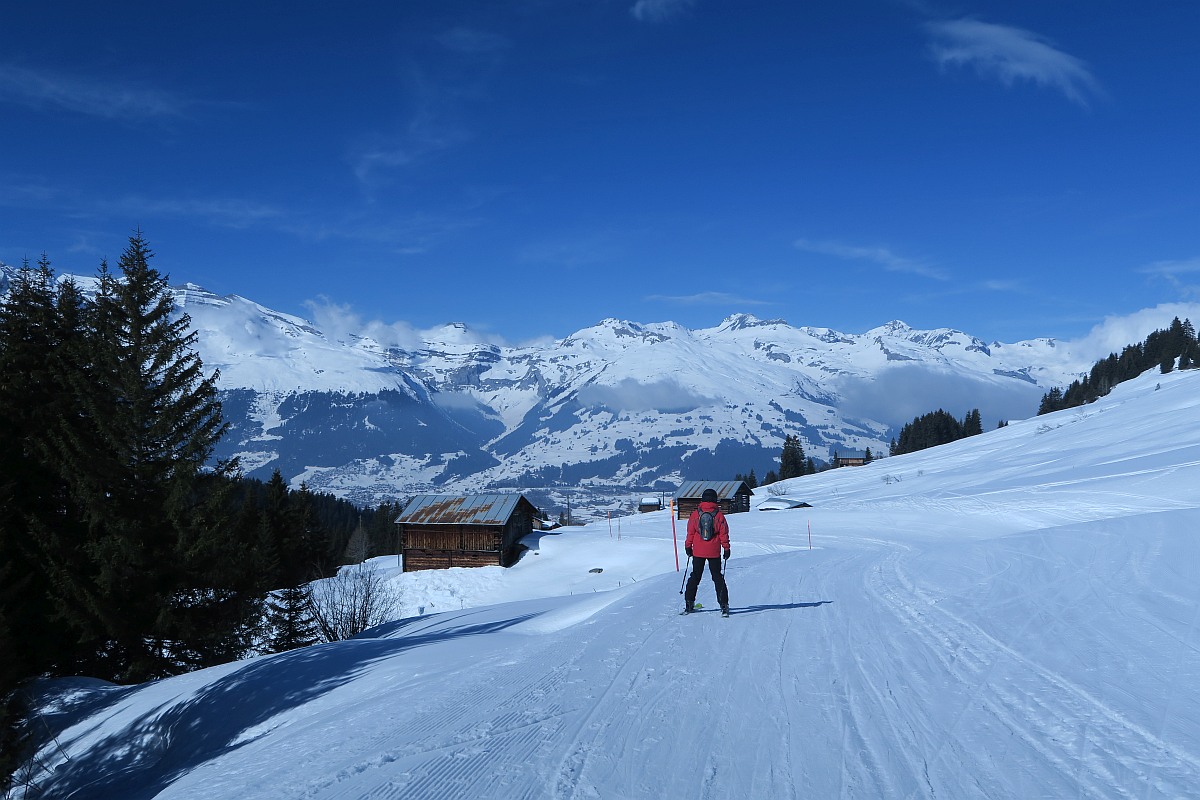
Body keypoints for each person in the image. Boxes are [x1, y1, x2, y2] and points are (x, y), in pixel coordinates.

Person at [683, 488, 731, 616]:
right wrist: (726, 548)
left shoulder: (695, 514)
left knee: (695, 576)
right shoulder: (719, 515)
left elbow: (690, 533)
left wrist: (688, 547)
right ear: (715, 499)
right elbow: (724, 534)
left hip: (698, 551)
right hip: (714, 551)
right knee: (717, 577)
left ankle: (689, 603)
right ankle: (724, 605)